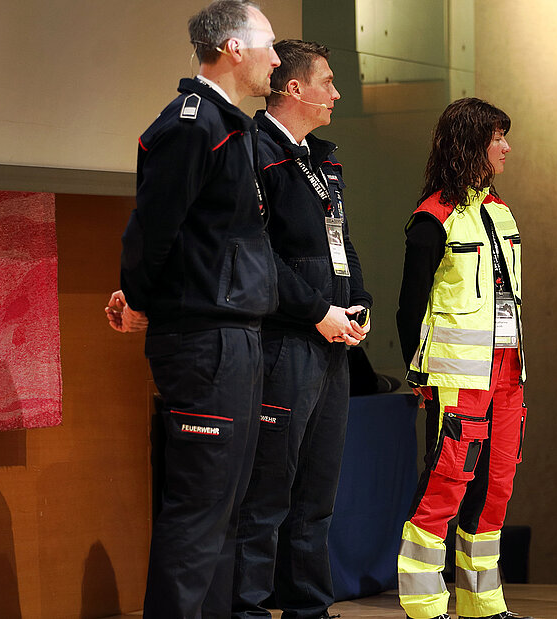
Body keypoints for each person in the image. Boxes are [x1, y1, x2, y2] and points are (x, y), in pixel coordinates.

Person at [111, 2, 280, 616]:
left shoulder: (234, 126)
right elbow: (151, 232)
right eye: (268, 45)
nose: (277, 58)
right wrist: (139, 298)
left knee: (227, 507)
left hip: (237, 337)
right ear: (233, 48)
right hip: (204, 339)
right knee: (200, 506)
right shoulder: (192, 125)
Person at [229, 39, 371, 619]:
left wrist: (356, 301)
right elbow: (261, 257)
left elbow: (342, 243)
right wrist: (317, 313)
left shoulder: (323, 161)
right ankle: (249, 610)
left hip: (333, 341)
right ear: (294, 89)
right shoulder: (254, 154)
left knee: (317, 494)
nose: (336, 93)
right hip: (286, 344)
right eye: (328, 82)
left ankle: (310, 609)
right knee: (268, 494)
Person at [395, 98, 532, 619]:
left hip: (507, 371)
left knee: (496, 484)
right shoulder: (431, 216)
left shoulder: (500, 210)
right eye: (497, 137)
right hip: (456, 376)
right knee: (446, 482)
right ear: (471, 144)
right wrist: (419, 374)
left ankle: (483, 603)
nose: (506, 146)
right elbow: (410, 307)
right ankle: (426, 604)